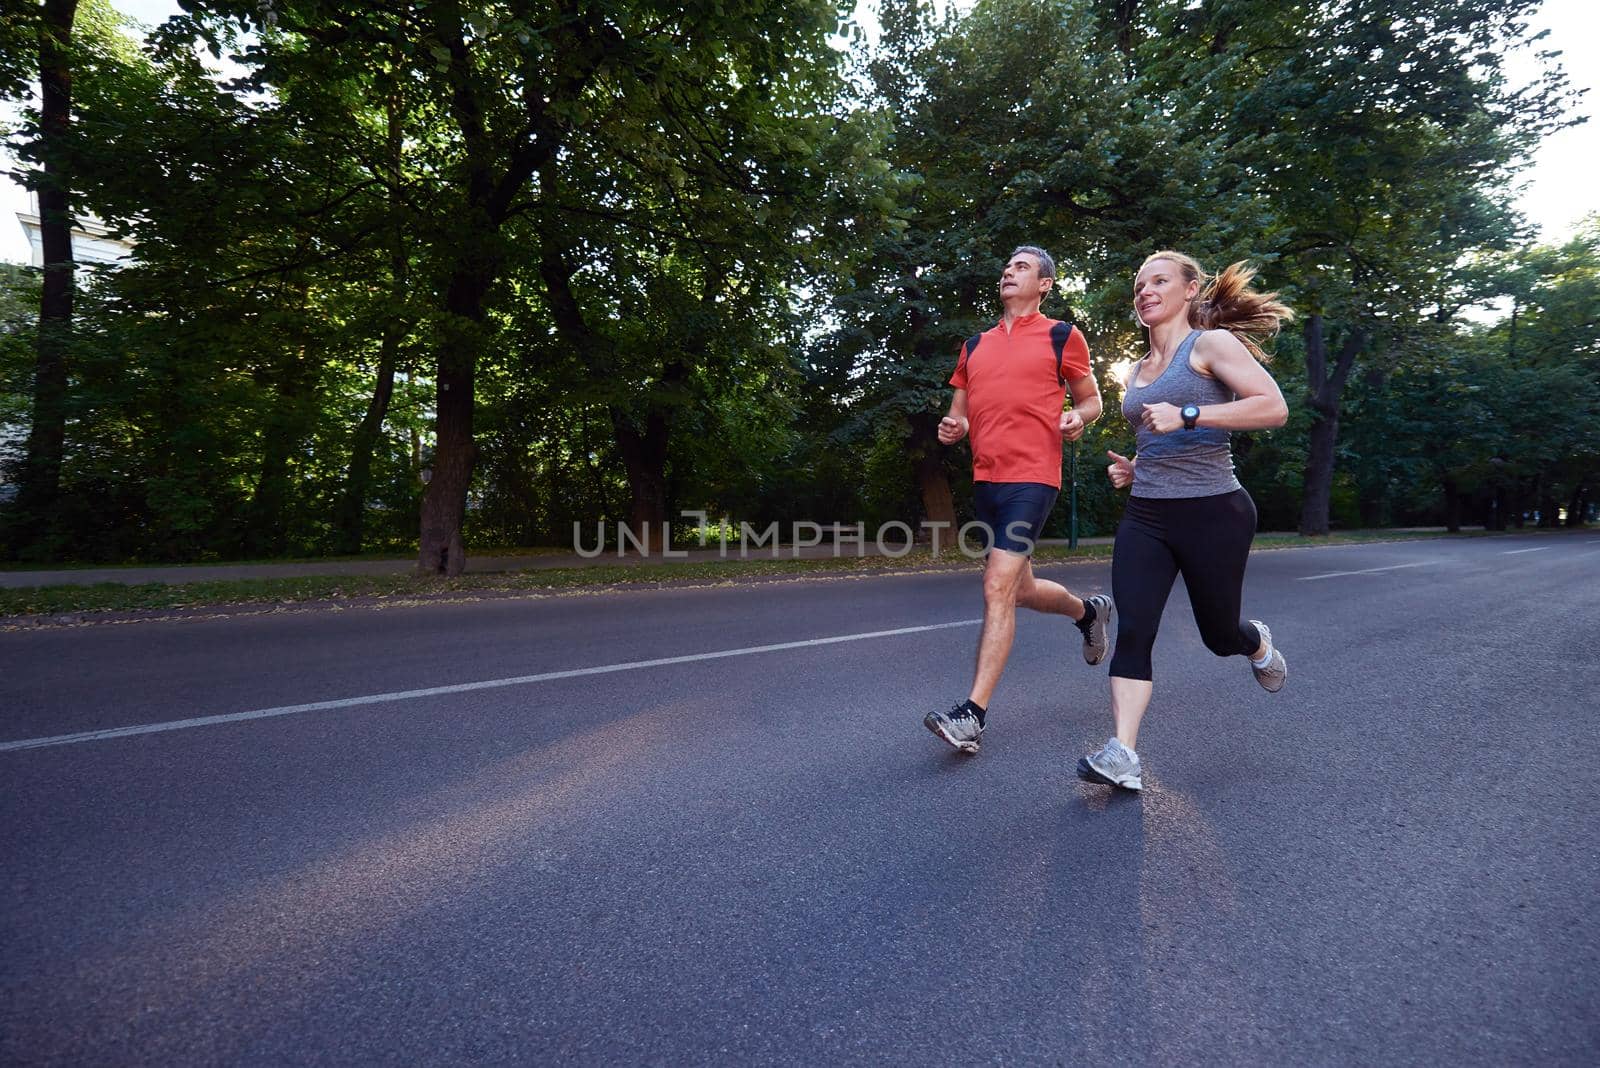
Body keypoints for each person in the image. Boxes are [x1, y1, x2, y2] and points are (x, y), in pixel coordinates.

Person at [1076, 251, 1292, 792]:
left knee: (1219, 635)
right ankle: (1123, 753)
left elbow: (1272, 407)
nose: (1145, 290)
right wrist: (1137, 465)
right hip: (1147, 514)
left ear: (1190, 289)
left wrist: (1191, 413)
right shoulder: (1137, 369)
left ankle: (1254, 642)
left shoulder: (1211, 345)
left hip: (1215, 511)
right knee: (1135, 630)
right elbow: (1156, 433)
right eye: (1139, 284)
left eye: (1159, 280)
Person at [923, 245, 1112, 755]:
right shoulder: (974, 345)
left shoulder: (1061, 335)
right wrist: (952, 427)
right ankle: (1088, 614)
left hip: (1033, 477)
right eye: (1006, 265)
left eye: (1022, 267)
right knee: (1019, 590)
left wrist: (1081, 416)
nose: (1009, 271)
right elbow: (958, 415)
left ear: (1045, 284)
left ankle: (972, 716)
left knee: (996, 585)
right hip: (987, 480)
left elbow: (1091, 398)